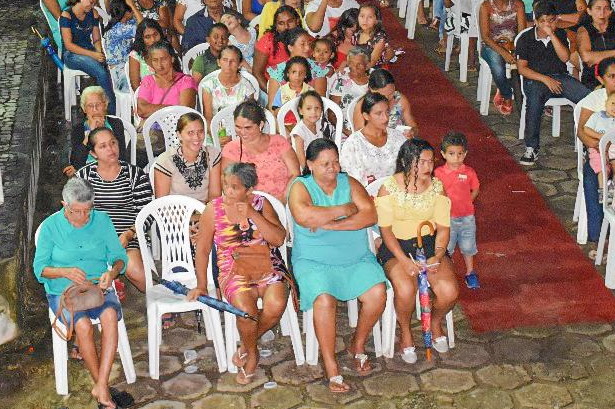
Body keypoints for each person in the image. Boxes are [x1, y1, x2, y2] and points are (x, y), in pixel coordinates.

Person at [288, 138, 387, 393]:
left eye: (335, 162)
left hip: (354, 257)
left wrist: (330, 223)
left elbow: (370, 215)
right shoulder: (301, 186)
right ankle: (331, 366)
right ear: (309, 164)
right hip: (314, 260)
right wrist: (345, 209)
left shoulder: (349, 182)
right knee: (324, 299)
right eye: (325, 164)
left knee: (377, 293)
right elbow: (304, 215)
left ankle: (358, 344)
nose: (332, 168)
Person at [33, 178, 133, 409]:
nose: (83, 217)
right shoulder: (50, 227)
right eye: (76, 211)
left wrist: (112, 272)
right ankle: (104, 388)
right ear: (64, 205)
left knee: (109, 315)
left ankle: (100, 386)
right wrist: (65, 271)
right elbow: (40, 270)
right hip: (63, 291)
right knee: (84, 326)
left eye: (87, 211)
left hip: (97, 286)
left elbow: (120, 257)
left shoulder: (102, 221)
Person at [189, 161, 289, 383]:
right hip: (233, 269)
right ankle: (252, 355)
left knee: (275, 306)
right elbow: (203, 250)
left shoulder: (262, 204)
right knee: (246, 311)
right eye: (226, 185)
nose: (228, 191)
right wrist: (201, 285)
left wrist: (252, 213)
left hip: (267, 264)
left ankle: (245, 344)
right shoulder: (213, 210)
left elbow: (278, 239)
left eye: (235, 187)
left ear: (249, 189)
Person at [375, 138, 456, 362]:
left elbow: (443, 227)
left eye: (431, 162)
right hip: (397, 247)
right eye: (421, 162)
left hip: (428, 244)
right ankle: (405, 331)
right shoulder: (388, 188)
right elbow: (386, 231)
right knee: (405, 290)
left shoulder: (437, 187)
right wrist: (404, 260)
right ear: (406, 161)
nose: (428, 168)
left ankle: (435, 322)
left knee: (448, 292)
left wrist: (438, 254)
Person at [75, 126, 151, 293]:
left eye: (113, 143)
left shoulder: (134, 175)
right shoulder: (83, 177)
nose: (110, 149)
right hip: (93, 238)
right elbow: (74, 214)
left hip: (128, 236)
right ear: (93, 153)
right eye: (103, 146)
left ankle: (159, 303)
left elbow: (147, 213)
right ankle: (109, 287)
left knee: (136, 271)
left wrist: (129, 233)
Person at [516, 2, 592, 166]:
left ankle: (591, 143)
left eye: (551, 20)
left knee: (588, 99)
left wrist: (553, 36)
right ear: (536, 21)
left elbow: (565, 58)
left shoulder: (560, 34)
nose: (547, 25)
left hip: (559, 77)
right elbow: (522, 69)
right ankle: (531, 147)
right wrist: (545, 79)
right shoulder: (526, 38)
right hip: (536, 79)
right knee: (534, 101)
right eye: (543, 21)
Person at [221, 100, 300, 199]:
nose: (242, 132)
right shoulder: (231, 150)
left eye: (248, 127)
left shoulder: (279, 142)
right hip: (250, 204)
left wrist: (283, 200)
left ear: (261, 124)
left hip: (286, 199)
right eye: (238, 127)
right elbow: (228, 185)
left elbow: (295, 173)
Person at [61, 0, 117, 115]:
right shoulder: (67, 15)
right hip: (72, 54)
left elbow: (96, 39)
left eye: (94, 3)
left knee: (110, 67)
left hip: (89, 50)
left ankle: (103, 105)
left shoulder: (93, 13)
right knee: (101, 73)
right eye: (90, 2)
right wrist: (93, 54)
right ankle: (112, 112)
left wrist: (99, 53)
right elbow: (68, 45)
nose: (92, 6)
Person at [437, 131, 481, 289]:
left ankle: (470, 272)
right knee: (446, 247)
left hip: (467, 217)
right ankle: (448, 272)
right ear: (443, 154)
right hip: (447, 218)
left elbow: (475, 188)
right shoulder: (438, 174)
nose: (456, 157)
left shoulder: (469, 172)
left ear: (465, 154)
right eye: (451, 153)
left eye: (460, 154)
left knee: (468, 245)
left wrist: (469, 201)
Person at [477, 0, 525, 116]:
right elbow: (485, 36)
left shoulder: (517, 4)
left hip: (512, 43)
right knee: (497, 64)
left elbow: (521, 32)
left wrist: (514, 47)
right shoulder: (486, 7)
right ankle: (506, 93)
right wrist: (503, 52)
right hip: (491, 45)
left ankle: (523, 93)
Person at [339, 92, 406, 188]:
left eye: (387, 112)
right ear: (366, 116)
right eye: (379, 113)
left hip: (397, 192)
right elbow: (351, 182)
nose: (385, 118)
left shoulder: (397, 137)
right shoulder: (354, 144)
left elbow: (408, 167)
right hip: (367, 196)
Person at [152, 112, 221, 202]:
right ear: (179, 135)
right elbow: (162, 203)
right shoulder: (166, 162)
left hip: (205, 211)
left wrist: (205, 215)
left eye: (200, 132)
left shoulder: (212, 155)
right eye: (190, 133)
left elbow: (214, 196)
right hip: (176, 213)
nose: (196, 137)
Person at [66, 86, 129, 175]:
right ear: (84, 109)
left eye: (98, 104)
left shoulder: (115, 124)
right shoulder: (79, 129)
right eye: (90, 106)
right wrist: (89, 134)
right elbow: (76, 163)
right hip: (88, 174)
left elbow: (121, 157)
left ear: (105, 105)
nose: (95, 109)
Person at [133, 42, 195, 122]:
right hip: (152, 130)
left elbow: (183, 112)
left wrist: (151, 113)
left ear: (172, 59)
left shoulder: (186, 81)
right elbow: (141, 110)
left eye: (163, 59)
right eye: (155, 60)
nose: (159, 65)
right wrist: (171, 107)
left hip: (177, 130)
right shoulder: (148, 81)